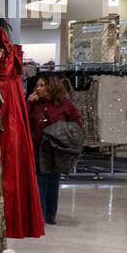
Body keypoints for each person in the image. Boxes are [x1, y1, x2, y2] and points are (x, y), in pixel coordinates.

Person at [27, 74, 83, 225]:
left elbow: (77, 122)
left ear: (52, 86)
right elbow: (23, 120)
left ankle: (50, 215)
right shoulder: (34, 103)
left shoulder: (65, 104)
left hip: (58, 148)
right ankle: (41, 216)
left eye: (42, 85)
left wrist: (62, 132)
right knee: (40, 181)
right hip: (40, 147)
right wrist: (29, 103)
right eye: (37, 86)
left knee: (53, 181)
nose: (38, 88)